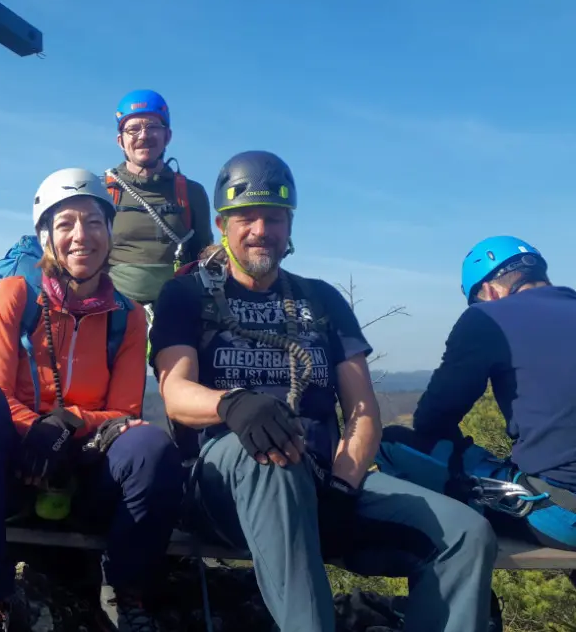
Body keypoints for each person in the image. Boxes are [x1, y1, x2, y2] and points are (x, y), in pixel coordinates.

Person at [148, 149, 500, 632]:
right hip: (225, 483)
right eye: (246, 217)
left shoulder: (322, 299)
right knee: (274, 461)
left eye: (274, 217)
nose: (261, 229)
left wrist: (342, 484)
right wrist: (231, 404)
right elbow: (176, 392)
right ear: (222, 224)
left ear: (290, 225)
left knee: (465, 535)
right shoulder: (187, 295)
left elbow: (362, 409)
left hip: (322, 479)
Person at [0, 168, 184, 632]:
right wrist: (37, 430)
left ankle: (127, 594)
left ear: (109, 233)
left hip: (84, 466)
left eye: (93, 222)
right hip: (16, 466)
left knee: (151, 447)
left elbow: (125, 413)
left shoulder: (128, 316)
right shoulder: (14, 295)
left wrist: (66, 423)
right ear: (46, 237)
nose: (81, 236)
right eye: (66, 223)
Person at [376, 235, 576, 551]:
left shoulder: (487, 318)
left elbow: (432, 419)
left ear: (490, 291)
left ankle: (442, 558)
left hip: (562, 514)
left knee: (391, 444)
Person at [104, 89, 213, 320]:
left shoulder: (192, 193)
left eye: (152, 127)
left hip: (175, 310)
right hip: (114, 313)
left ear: (167, 136)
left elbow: (203, 255)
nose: (143, 135)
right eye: (133, 129)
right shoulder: (101, 191)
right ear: (120, 140)